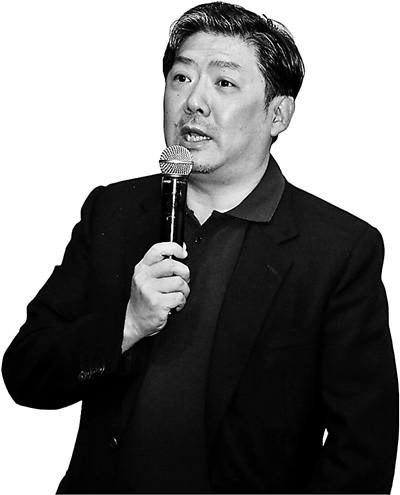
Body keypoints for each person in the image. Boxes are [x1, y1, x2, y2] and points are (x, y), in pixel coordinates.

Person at [2, 1, 398, 493]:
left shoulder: (337, 249)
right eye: (181, 78)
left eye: (224, 82)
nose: (193, 102)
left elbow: (362, 451)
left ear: (278, 114)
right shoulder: (114, 211)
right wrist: (128, 324)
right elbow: (26, 372)